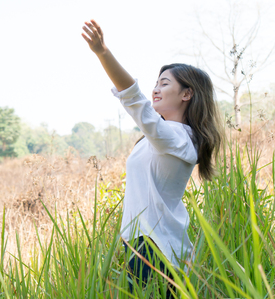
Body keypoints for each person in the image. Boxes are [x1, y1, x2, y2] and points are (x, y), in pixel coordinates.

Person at [81, 19, 224, 297]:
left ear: (187, 94)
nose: (155, 89)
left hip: (157, 246)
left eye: (164, 83)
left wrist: (102, 52)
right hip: (141, 241)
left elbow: (134, 100)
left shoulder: (180, 138)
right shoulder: (160, 137)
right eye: (155, 83)